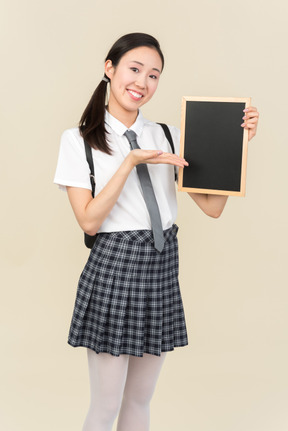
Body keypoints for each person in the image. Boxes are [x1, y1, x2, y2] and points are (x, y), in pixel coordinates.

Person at [54, 32, 259, 431]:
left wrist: (238, 144)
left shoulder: (168, 135)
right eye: (134, 69)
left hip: (162, 267)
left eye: (154, 75)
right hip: (115, 268)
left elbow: (213, 208)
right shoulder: (77, 140)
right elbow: (89, 221)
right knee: (106, 404)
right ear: (110, 69)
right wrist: (129, 162)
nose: (142, 83)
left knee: (141, 400)